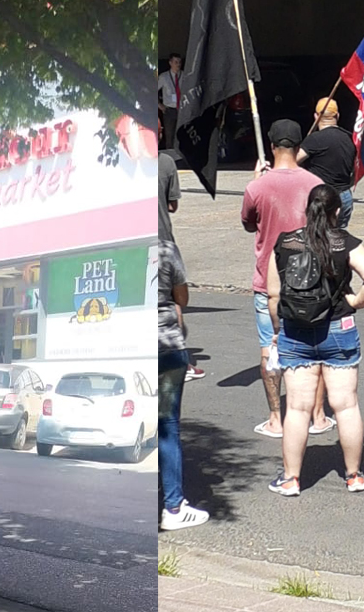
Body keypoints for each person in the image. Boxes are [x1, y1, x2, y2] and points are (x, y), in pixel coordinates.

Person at [265, 185, 364, 496]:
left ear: (307, 209)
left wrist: (279, 330)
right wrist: (358, 301)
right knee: (346, 405)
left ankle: (291, 479)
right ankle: (354, 475)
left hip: (296, 331)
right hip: (339, 329)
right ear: (336, 212)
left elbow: (274, 295)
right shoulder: (345, 242)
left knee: (298, 408)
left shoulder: (286, 242)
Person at [241, 119, 334, 439]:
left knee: (270, 348)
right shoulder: (315, 184)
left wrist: (257, 182)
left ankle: (276, 418)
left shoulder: (257, 187)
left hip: (269, 280)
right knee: (314, 347)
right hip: (310, 278)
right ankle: (318, 415)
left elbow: (249, 224)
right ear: (299, 147)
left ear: (271, 147)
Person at [158, 239, 209, 530]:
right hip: (165, 345)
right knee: (167, 427)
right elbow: (183, 298)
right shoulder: (165, 249)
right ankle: (174, 507)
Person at [158, 151, 206, 383]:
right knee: (172, 301)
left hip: (124, 239)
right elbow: (172, 204)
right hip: (161, 239)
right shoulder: (165, 162)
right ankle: (181, 361)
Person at [298, 98, 357, 229]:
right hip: (344, 196)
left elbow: (293, 161)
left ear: (316, 116)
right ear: (337, 116)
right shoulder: (350, 138)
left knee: (318, 239)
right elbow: (355, 171)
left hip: (321, 197)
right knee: (339, 240)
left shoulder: (314, 140)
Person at [158, 53, 183, 150]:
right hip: (169, 110)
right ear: (170, 63)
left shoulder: (183, 75)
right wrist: (160, 105)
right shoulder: (164, 77)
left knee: (180, 135)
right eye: (176, 62)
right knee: (170, 136)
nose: (178, 65)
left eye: (179, 62)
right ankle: (171, 159)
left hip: (181, 109)